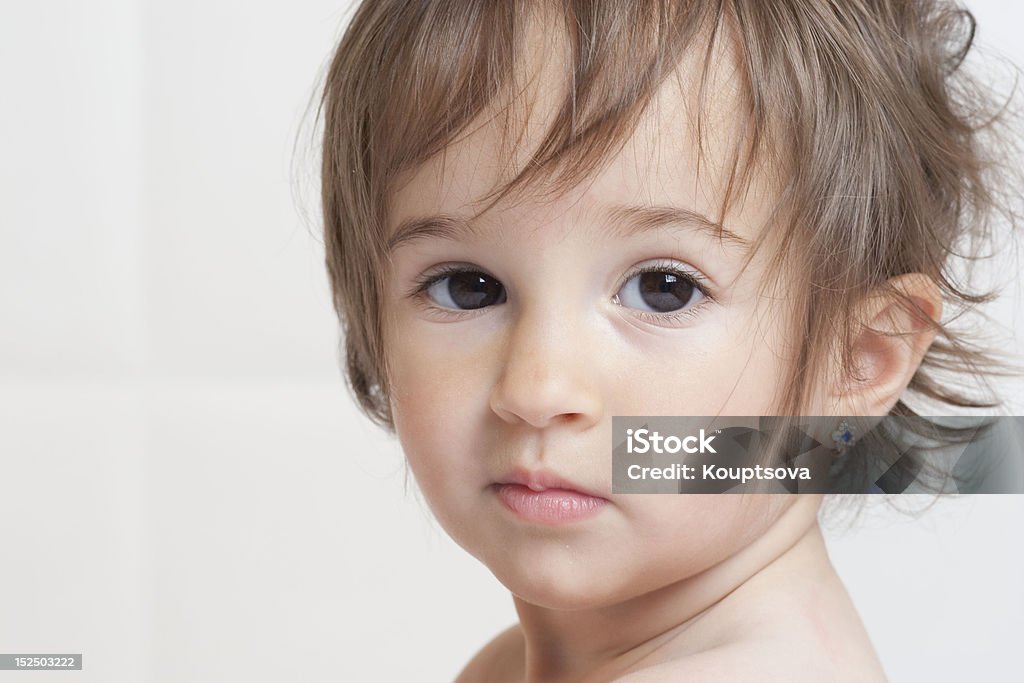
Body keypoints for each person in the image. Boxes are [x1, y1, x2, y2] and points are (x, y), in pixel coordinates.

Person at [317, 1, 1020, 680]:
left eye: (663, 288)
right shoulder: (511, 662)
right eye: (468, 286)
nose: (536, 389)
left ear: (861, 358)